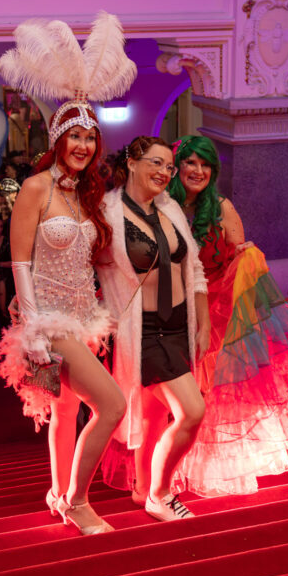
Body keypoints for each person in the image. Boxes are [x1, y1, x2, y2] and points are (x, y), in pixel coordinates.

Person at [0, 11, 135, 535]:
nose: (83, 146)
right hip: (50, 323)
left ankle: (59, 495)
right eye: (74, 136)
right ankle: (78, 500)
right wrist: (33, 330)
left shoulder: (87, 194)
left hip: (83, 318)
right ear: (57, 139)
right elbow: (20, 261)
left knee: (67, 411)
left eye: (90, 138)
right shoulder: (36, 188)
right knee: (113, 405)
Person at [168, 135, 288, 496]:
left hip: (216, 312)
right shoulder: (161, 205)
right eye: (191, 162)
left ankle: (207, 470)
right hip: (170, 309)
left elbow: (238, 254)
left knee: (211, 394)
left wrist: (246, 257)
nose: (198, 171)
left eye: (206, 165)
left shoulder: (221, 207)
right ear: (177, 166)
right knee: (175, 396)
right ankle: (167, 470)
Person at [97, 136, 210, 521]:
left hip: (178, 324)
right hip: (143, 331)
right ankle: (161, 494)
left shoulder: (169, 206)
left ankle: (143, 487)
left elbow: (193, 266)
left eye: (169, 166)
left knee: (153, 415)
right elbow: (80, 264)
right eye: (156, 163)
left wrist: (203, 320)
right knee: (192, 411)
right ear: (131, 162)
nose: (164, 172)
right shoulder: (107, 212)